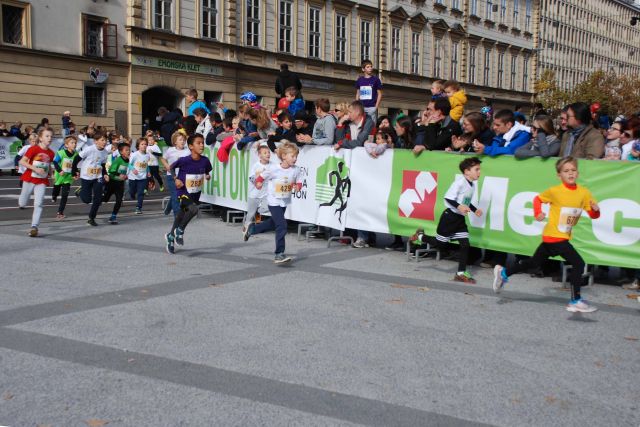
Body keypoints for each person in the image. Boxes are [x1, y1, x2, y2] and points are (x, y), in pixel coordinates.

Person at [492, 157, 601, 313]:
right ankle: (575, 300)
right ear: (559, 175)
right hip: (555, 236)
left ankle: (503, 272)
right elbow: (537, 199)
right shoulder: (555, 191)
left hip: (556, 237)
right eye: (566, 171)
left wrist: (596, 209)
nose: (570, 173)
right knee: (579, 264)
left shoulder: (584, 193)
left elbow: (593, 215)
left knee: (534, 262)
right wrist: (538, 213)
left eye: (573, 170)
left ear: (577, 173)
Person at [410, 157, 484, 283]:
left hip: (459, 220)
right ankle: (420, 236)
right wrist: (459, 206)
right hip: (449, 218)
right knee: (440, 244)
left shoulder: (472, 185)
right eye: (476, 169)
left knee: (465, 245)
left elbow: (464, 202)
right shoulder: (459, 183)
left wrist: (474, 209)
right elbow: (448, 198)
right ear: (467, 171)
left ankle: (460, 273)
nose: (479, 172)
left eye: (479, 169)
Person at [244, 142, 302, 264]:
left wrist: (298, 186)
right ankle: (279, 254)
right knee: (282, 226)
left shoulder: (296, 170)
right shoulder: (273, 168)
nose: (295, 159)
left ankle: (252, 230)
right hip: (273, 201)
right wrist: (258, 182)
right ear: (284, 156)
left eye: (296, 156)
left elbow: (299, 180)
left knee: (272, 223)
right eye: (293, 156)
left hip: (284, 201)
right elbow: (262, 176)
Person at [164, 133, 213, 254]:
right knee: (193, 209)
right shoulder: (184, 160)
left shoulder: (205, 161)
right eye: (198, 143)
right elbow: (170, 167)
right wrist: (176, 179)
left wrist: (207, 175)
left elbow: (206, 171)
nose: (201, 145)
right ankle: (179, 231)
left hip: (195, 193)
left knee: (181, 214)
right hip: (183, 190)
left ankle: (170, 236)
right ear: (191, 146)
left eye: (202, 143)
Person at [18, 128, 55, 237]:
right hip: (30, 178)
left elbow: (48, 165)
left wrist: (51, 173)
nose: (50, 138)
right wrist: (35, 168)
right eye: (47, 136)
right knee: (23, 202)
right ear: (40, 138)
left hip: (42, 180)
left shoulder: (51, 153)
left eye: (51, 136)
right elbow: (22, 161)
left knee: (39, 204)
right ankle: (21, 204)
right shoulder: (33, 149)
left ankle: (34, 227)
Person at [72, 131, 109, 226]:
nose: (104, 142)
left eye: (105, 140)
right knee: (87, 200)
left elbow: (103, 164)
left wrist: (105, 173)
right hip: (86, 177)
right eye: (102, 140)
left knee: (98, 198)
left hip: (98, 177)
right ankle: (80, 192)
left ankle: (91, 218)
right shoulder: (89, 149)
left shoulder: (105, 152)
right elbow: (76, 159)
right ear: (95, 141)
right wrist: (74, 170)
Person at [242, 142, 271, 239]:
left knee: (267, 208)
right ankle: (246, 230)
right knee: (250, 215)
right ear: (259, 155)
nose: (268, 154)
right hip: (254, 194)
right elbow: (251, 177)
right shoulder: (256, 166)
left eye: (268, 152)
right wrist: (256, 182)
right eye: (265, 153)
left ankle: (258, 211)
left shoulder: (273, 165)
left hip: (266, 194)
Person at [162, 130, 191, 216]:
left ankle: (169, 206)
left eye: (183, 140)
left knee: (180, 195)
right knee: (175, 196)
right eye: (180, 140)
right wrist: (167, 165)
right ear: (175, 142)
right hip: (172, 176)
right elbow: (163, 159)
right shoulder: (170, 150)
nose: (182, 141)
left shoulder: (187, 151)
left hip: (183, 177)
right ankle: (177, 216)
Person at [51, 135, 79, 220]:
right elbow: (55, 162)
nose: (74, 144)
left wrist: (76, 173)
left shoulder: (76, 154)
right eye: (72, 143)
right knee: (56, 189)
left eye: (75, 143)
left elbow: (75, 166)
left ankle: (60, 213)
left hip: (68, 177)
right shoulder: (61, 153)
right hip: (59, 175)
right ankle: (54, 196)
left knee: (64, 195)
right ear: (66, 145)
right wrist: (59, 170)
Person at [104, 142, 130, 224]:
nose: (128, 152)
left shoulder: (129, 160)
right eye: (126, 150)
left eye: (129, 150)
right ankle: (96, 200)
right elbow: (111, 172)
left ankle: (113, 216)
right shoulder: (117, 160)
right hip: (112, 182)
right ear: (121, 152)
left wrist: (126, 176)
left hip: (120, 184)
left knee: (119, 200)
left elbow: (129, 169)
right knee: (105, 199)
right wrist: (120, 174)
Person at [128, 137, 151, 215]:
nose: (144, 146)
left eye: (145, 144)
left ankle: (138, 208)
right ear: (138, 146)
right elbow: (129, 164)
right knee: (132, 192)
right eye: (142, 144)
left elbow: (146, 164)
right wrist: (133, 169)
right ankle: (132, 194)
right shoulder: (134, 155)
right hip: (133, 177)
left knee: (141, 193)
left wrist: (148, 171)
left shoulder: (147, 155)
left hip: (143, 177)